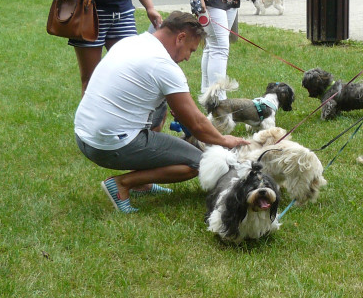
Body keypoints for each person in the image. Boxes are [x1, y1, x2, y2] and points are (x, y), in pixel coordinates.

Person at [74, 12, 249, 214]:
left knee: (162, 104)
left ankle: (143, 184)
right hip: (107, 145)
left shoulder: (132, 42)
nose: (187, 58)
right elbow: (197, 124)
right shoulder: (163, 65)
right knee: (200, 163)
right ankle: (123, 184)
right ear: (180, 37)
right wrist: (224, 140)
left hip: (83, 135)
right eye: (190, 50)